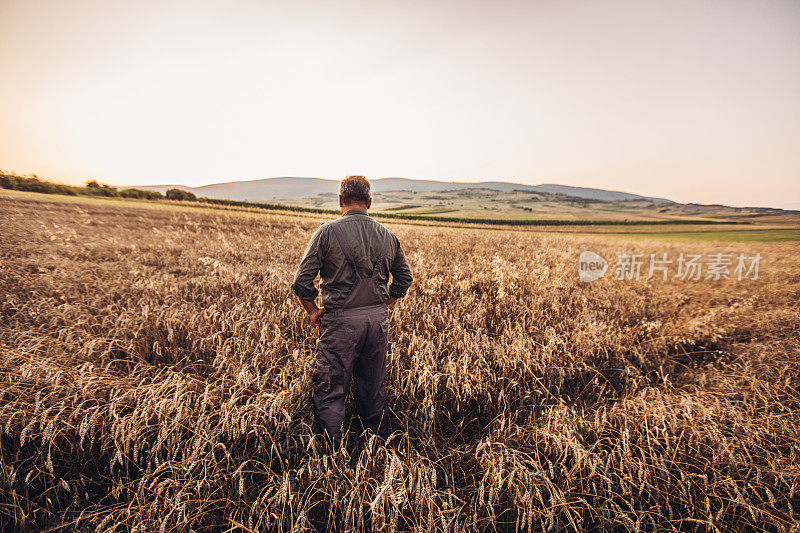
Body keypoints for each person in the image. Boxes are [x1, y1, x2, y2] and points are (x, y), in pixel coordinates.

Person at [291, 175, 413, 463]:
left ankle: (334, 458)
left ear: (340, 201)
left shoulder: (327, 232)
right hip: (377, 322)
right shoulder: (388, 235)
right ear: (369, 202)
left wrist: (312, 311)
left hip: (339, 323)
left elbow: (301, 281)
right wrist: (385, 302)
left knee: (332, 387)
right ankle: (377, 454)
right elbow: (405, 278)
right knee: (373, 386)